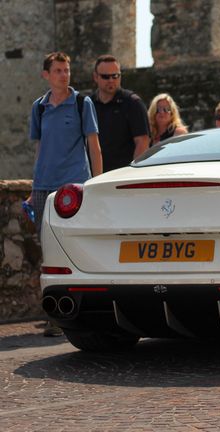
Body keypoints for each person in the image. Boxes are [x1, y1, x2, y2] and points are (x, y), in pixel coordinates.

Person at [28, 52, 103, 337]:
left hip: (72, 188)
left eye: (67, 69)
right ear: (46, 74)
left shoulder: (83, 104)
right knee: (46, 251)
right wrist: (33, 187)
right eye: (58, 70)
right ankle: (54, 312)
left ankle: (66, 316)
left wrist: (95, 186)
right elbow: (39, 148)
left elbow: (94, 147)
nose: (64, 75)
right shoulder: (39, 108)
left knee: (70, 249)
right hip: (42, 187)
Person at [91, 55, 150, 172]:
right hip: (94, 177)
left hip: (122, 176)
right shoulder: (89, 104)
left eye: (115, 76)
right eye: (106, 77)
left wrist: (133, 173)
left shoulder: (133, 103)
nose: (111, 80)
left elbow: (143, 142)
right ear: (95, 77)